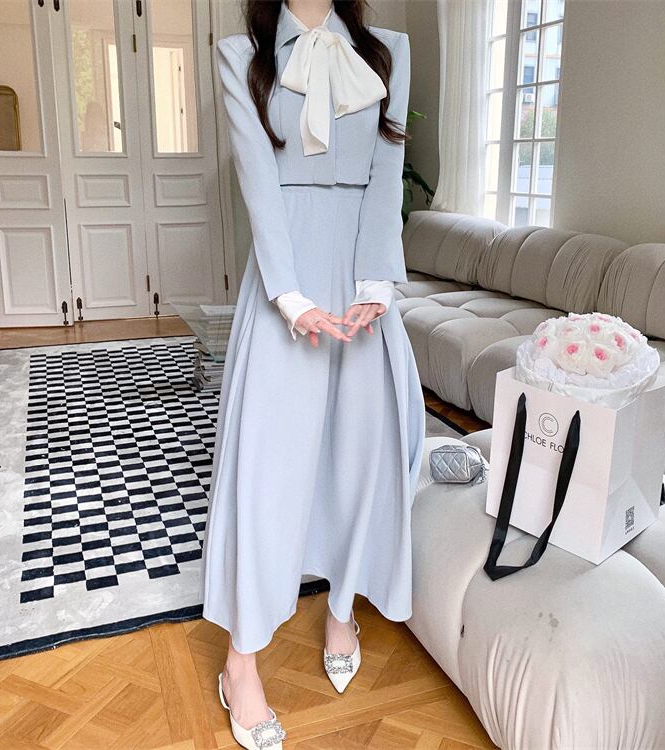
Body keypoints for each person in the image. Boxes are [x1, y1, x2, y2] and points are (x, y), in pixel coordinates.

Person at [201, 1, 425, 747]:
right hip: (285, 281)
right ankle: (241, 663)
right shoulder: (242, 56)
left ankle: (340, 609)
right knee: (268, 470)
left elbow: (387, 175)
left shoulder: (389, 50)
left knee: (362, 459)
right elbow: (257, 182)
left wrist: (377, 283)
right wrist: (289, 297)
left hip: (363, 280)